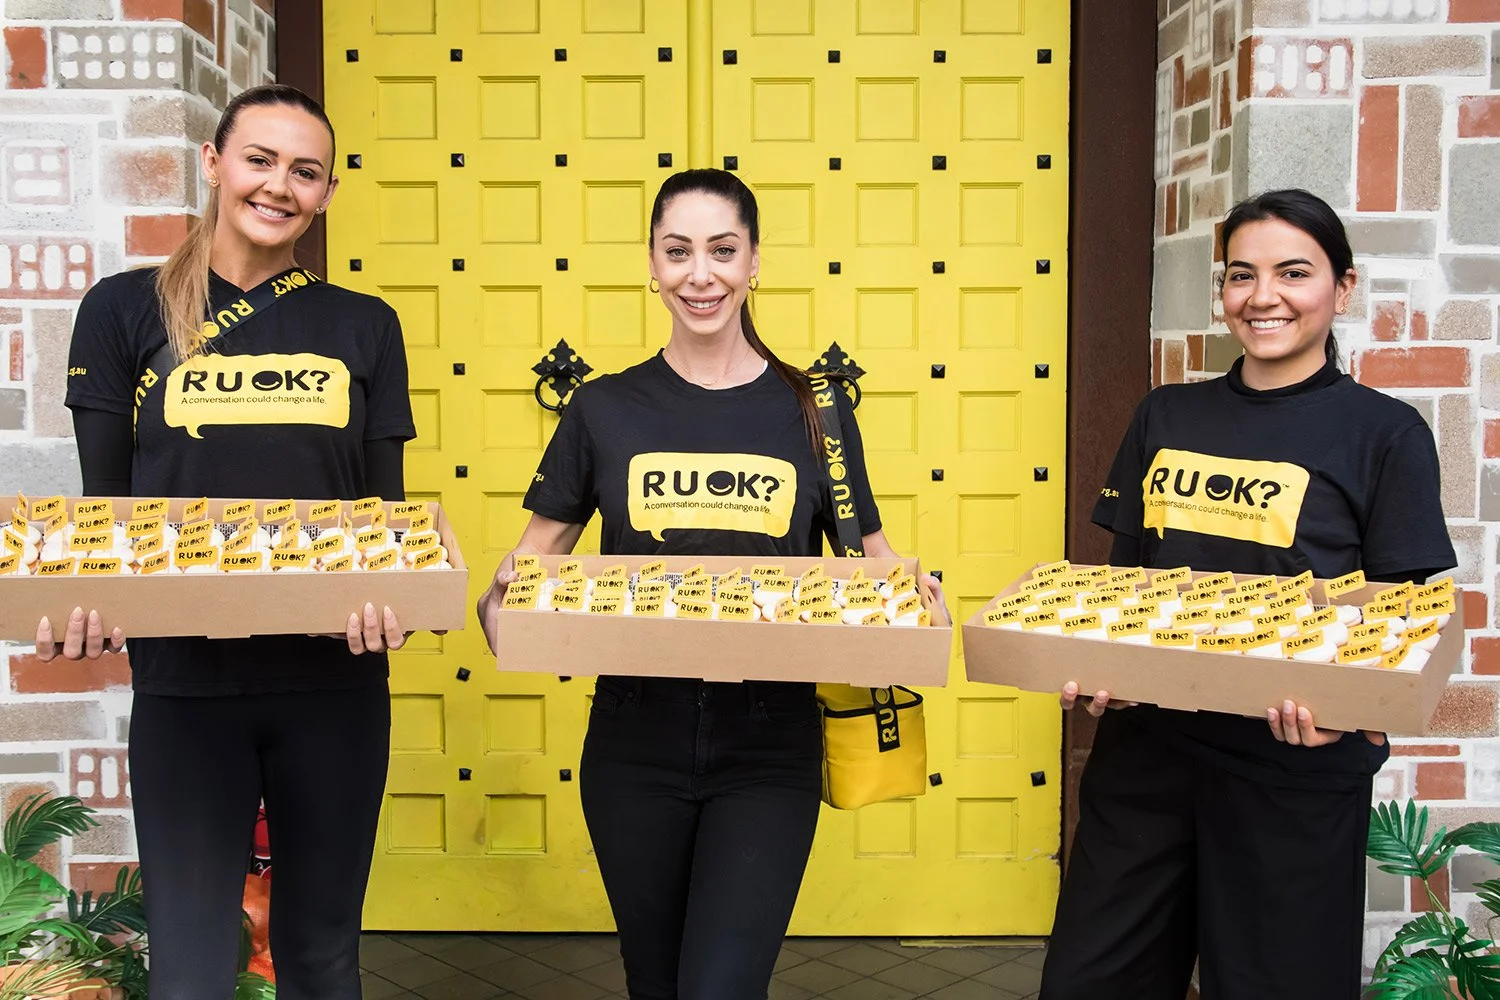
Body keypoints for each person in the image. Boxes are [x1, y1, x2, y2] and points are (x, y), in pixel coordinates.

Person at [478, 168, 948, 1000]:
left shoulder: (817, 412)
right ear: (653, 266)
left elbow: (878, 571)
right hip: (634, 741)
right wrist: (510, 594)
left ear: (755, 262)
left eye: (722, 251)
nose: (702, 274)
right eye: (679, 251)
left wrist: (919, 611)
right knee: (655, 984)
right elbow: (508, 597)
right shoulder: (603, 409)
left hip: (768, 748)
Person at [43, 84, 416, 1000]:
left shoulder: (364, 325)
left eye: (306, 170)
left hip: (333, 686)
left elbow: (382, 521)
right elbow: (107, 519)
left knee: (322, 951)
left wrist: (392, 604)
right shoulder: (123, 311)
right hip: (186, 689)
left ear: (327, 192)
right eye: (260, 159)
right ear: (213, 163)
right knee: (191, 963)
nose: (279, 185)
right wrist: (98, 605)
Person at [1039, 189, 1456, 1000]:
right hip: (1147, 756)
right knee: (1090, 981)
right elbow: (1124, 580)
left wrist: (1350, 711)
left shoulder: (1385, 433)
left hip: (1294, 767)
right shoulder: (1167, 413)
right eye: (1242, 274)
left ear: (1343, 288)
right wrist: (1090, 660)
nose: (1262, 297)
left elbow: (1404, 623)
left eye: (1293, 272)